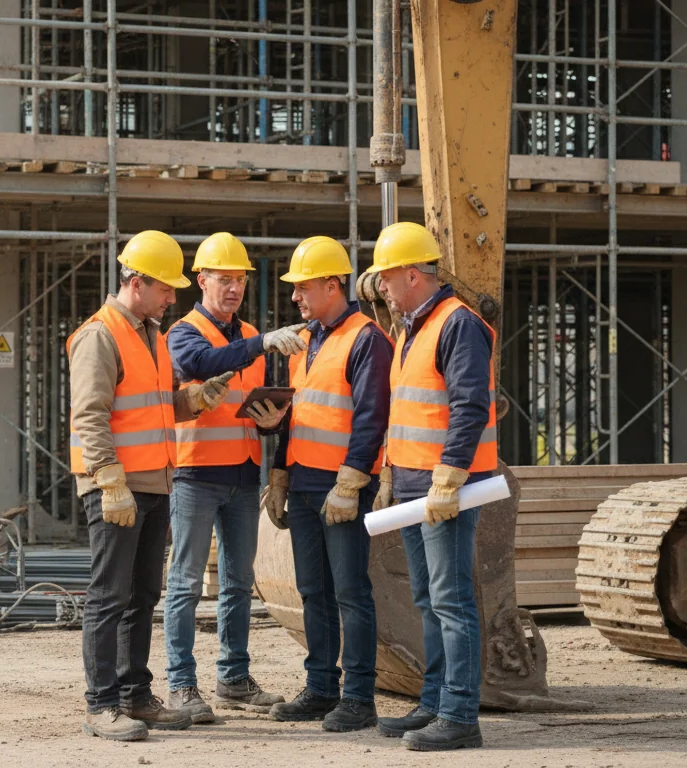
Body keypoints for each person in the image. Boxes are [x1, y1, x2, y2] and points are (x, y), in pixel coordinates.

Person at [67, 230, 236, 742]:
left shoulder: (152, 335)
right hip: (117, 486)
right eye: (165, 288)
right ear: (136, 283)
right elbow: (90, 414)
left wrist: (194, 400)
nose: (171, 298)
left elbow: (158, 407)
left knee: (142, 594)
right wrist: (108, 480)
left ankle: (135, 695)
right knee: (108, 596)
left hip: (154, 482)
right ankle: (101, 704)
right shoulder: (100, 335)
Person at [163, 232, 306, 724]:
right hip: (195, 473)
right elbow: (200, 364)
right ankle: (181, 684)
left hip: (243, 473)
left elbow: (247, 403)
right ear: (201, 280)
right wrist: (260, 343)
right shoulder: (185, 332)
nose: (233, 288)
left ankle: (233, 678)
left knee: (239, 583)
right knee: (185, 583)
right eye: (224, 279)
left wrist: (271, 422)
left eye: (240, 280)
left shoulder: (247, 334)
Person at [365, 221, 497, 752]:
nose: (381, 287)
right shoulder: (412, 329)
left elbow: (470, 406)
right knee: (428, 597)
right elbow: (410, 412)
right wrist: (391, 473)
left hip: (445, 490)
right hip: (414, 486)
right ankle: (436, 701)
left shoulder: (456, 324)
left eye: (386, 277)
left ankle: (460, 714)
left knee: (451, 600)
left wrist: (450, 474)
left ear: (413, 275)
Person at [264, 236, 392, 733]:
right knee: (313, 591)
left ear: (333, 285)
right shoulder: (305, 341)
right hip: (303, 484)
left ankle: (359, 697)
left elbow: (371, 417)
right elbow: (297, 415)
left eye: (304, 286)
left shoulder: (366, 339)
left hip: (341, 487)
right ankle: (321, 688)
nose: (295, 296)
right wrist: (280, 472)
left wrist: (352, 481)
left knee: (351, 592)